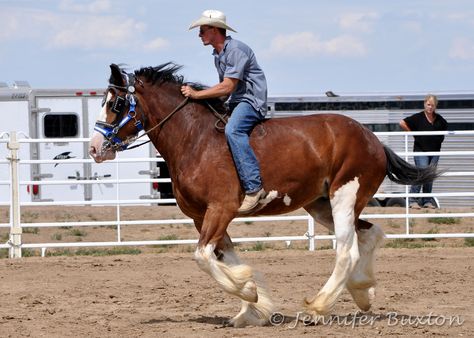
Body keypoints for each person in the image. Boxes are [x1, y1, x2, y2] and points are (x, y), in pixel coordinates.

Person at [181, 10, 267, 214]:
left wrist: (196, 94)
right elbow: (224, 90)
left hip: (251, 101)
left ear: (215, 30)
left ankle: (254, 188)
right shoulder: (218, 55)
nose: (199, 34)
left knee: (233, 131)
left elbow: (227, 86)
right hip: (237, 101)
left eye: (202, 30)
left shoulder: (236, 50)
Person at [399, 94, 448, 209]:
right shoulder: (418, 117)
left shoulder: (439, 119)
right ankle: (412, 200)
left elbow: (445, 127)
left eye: (433, 105)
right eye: (428, 104)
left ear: (435, 106)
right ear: (425, 104)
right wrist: (413, 134)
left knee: (430, 176)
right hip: (421, 150)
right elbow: (402, 123)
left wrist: (439, 140)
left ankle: (427, 200)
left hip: (435, 151)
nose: (430, 107)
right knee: (422, 173)